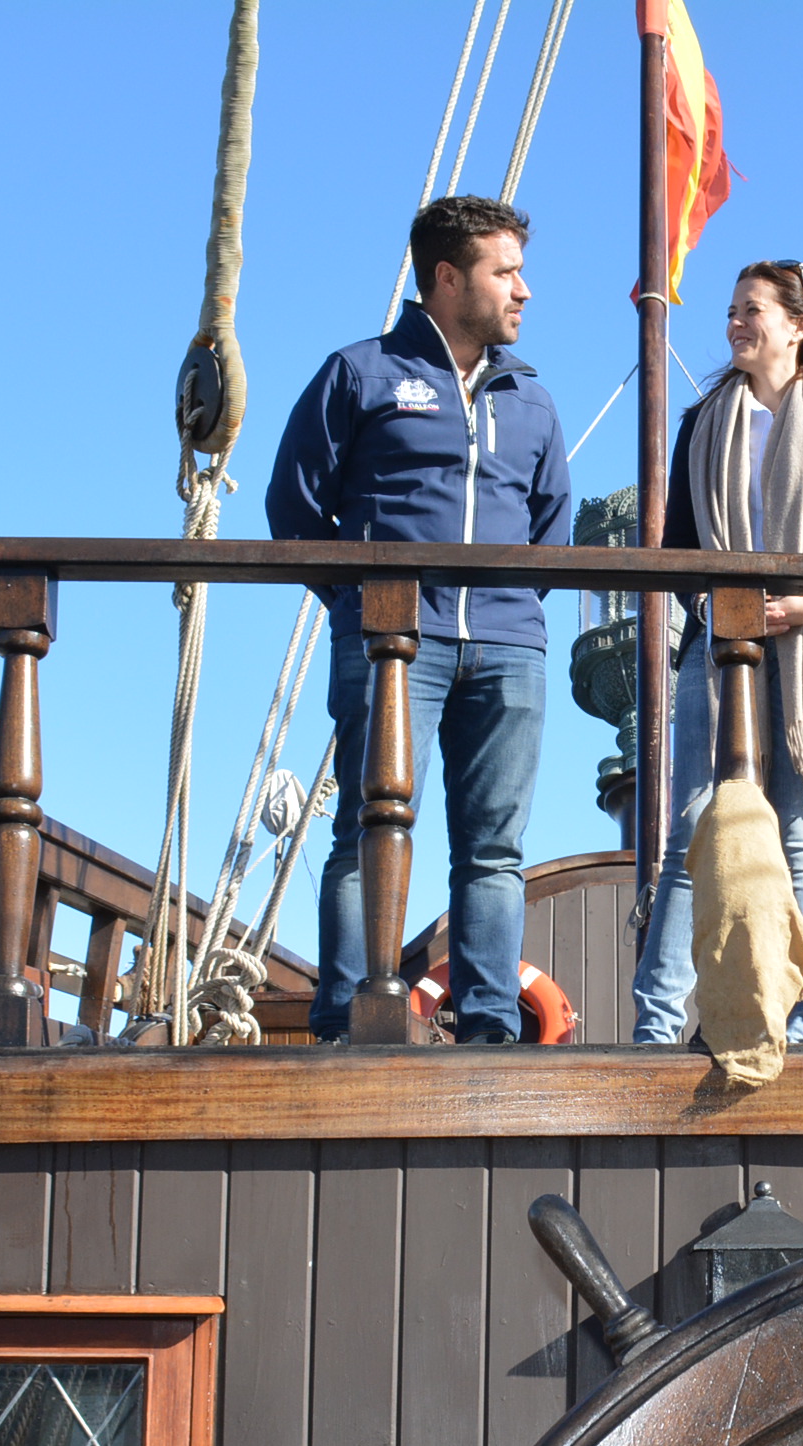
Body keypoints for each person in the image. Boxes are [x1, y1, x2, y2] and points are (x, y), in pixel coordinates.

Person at [267, 194, 573, 1043]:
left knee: (494, 851)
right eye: (506, 271)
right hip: (390, 643)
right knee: (369, 829)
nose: (524, 290)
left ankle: (487, 1027)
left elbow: (552, 527)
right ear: (448, 277)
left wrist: (504, 610)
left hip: (510, 647)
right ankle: (347, 1017)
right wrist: (362, 606)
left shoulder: (534, 401)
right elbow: (293, 511)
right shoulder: (358, 375)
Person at [633, 260, 803, 1044]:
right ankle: (656, 1023)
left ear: (798, 325)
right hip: (716, 650)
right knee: (689, 835)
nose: (735, 323)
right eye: (732, 311)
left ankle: (795, 1015)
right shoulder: (702, 422)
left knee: (799, 842)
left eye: (752, 310)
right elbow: (678, 548)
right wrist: (723, 608)